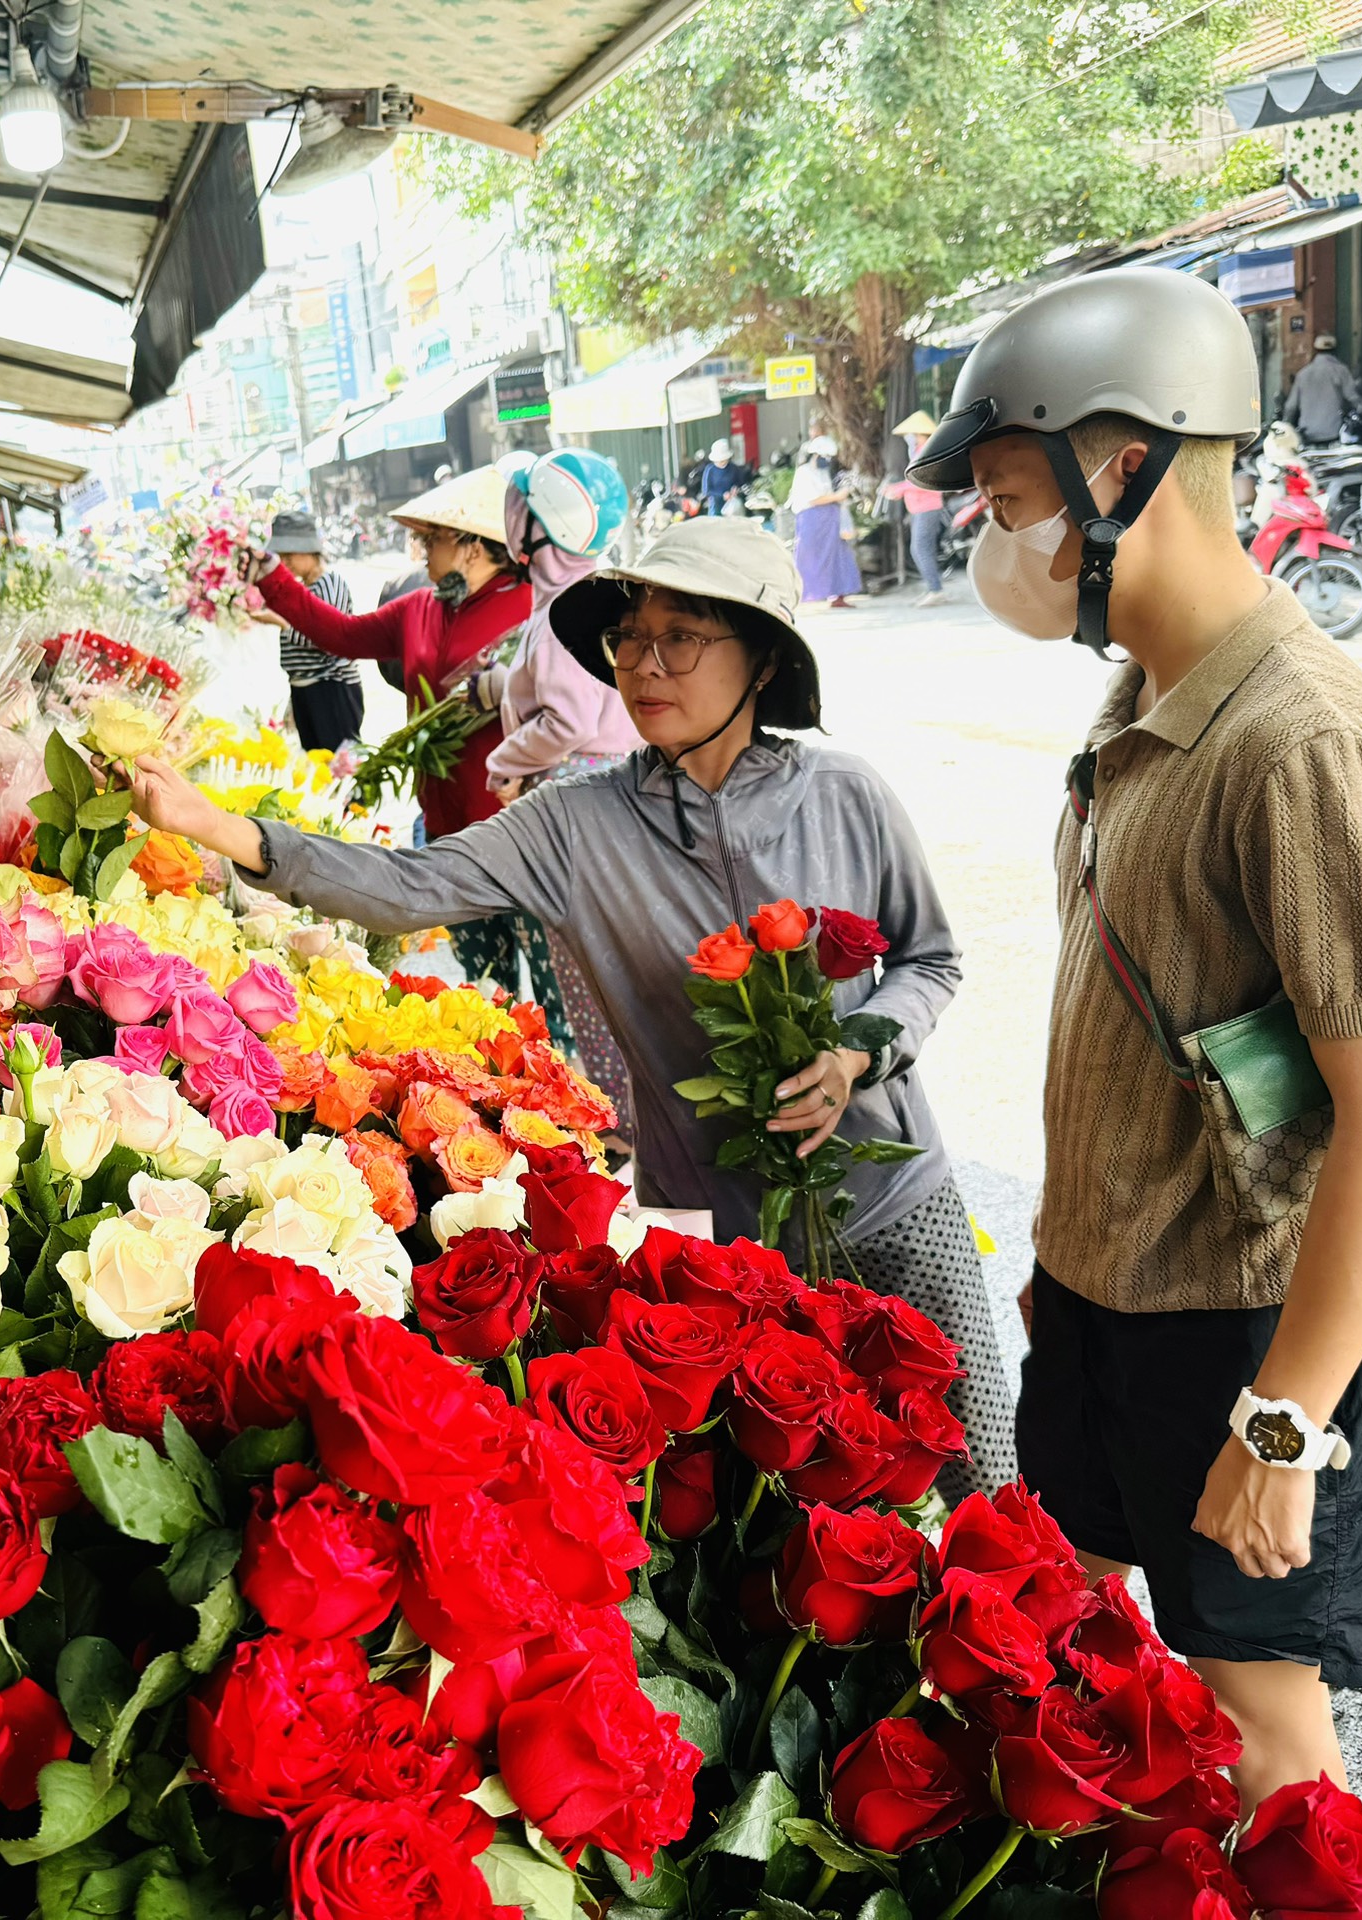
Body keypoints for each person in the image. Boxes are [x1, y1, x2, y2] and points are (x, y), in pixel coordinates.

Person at [130, 515, 1018, 1498]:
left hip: (895, 1202)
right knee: (798, 1512)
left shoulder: (847, 796)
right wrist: (215, 827)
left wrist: (855, 1052)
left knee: (981, 1479)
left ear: (764, 661)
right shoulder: (574, 824)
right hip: (727, 1247)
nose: (644, 665)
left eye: (681, 638)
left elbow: (929, 958)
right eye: (629, 638)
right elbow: (407, 887)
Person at [914, 267, 1362, 1807]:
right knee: (1070, 1653)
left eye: (1008, 499)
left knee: (1266, 1734)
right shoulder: (1140, 698)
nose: (991, 541)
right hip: (1105, 1303)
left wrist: (1282, 1428)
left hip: (1245, 1332)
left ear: (1122, 469)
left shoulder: (1299, 739)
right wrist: (1073, 1252)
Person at [244, 465, 540, 989]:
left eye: (433, 539)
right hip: (448, 829)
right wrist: (273, 576)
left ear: (473, 547)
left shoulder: (532, 608)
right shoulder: (421, 608)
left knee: (550, 984)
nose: (421, 550)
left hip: (519, 825)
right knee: (487, 983)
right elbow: (341, 634)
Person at [480, 449, 644, 1134]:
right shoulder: (601, 594)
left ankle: (622, 1124)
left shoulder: (560, 615)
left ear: (537, 526)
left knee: (587, 978)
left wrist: (504, 761)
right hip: (620, 794)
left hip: (577, 803)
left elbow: (569, 722)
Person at [253, 510, 366, 752]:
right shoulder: (304, 589)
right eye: (281, 555)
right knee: (316, 763)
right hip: (305, 688)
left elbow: (328, 639)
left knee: (340, 763)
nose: (284, 562)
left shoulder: (330, 584)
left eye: (289, 555)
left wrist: (280, 622)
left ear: (308, 550)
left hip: (331, 687)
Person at [883, 408, 949, 605]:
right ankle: (934, 589)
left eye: (911, 435)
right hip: (921, 508)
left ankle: (935, 590)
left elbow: (922, 481)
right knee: (923, 549)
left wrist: (898, 488)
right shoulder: (921, 452)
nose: (908, 438)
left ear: (920, 434)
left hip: (927, 508)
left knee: (920, 549)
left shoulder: (927, 452)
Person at [790, 435, 861, 605]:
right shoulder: (804, 472)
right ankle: (802, 595)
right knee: (808, 558)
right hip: (811, 520)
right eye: (825, 457)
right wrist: (837, 496)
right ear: (816, 455)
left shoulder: (823, 473)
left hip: (829, 521)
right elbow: (813, 499)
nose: (828, 460)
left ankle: (838, 596)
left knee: (838, 556)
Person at [1286, 332, 1362, 446]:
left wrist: (1285, 427)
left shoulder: (1303, 374)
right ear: (1335, 350)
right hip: (1332, 433)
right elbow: (1354, 398)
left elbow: (1290, 407)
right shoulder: (1341, 371)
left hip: (1307, 433)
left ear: (1315, 350)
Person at [698, 436, 750, 515]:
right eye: (719, 461)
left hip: (731, 506)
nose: (721, 463)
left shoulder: (733, 468)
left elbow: (740, 483)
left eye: (724, 460)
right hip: (715, 506)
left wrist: (735, 489)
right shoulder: (710, 470)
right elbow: (706, 491)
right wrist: (722, 495)